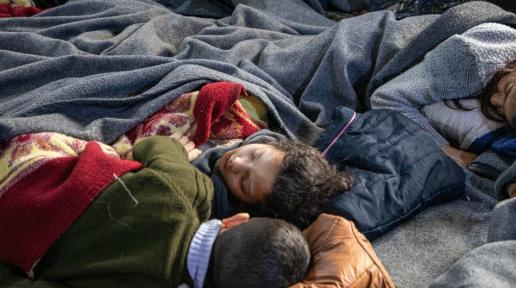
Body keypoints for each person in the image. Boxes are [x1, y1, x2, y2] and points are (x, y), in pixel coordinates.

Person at [0, 134, 310, 288]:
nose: (237, 164)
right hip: (17, 235)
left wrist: (178, 151)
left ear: (236, 218)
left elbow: (155, 144)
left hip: (41, 178)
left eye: (245, 182)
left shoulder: (190, 185)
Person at [370, 23, 516, 171]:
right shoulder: (474, 62)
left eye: (500, 110)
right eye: (507, 89)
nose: (493, 100)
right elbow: (385, 99)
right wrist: (447, 151)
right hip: (361, 54)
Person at [211, 137, 354, 229]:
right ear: (273, 145)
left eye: (244, 183)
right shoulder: (261, 134)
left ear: (248, 206)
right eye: (255, 155)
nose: (236, 162)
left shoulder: (209, 200)